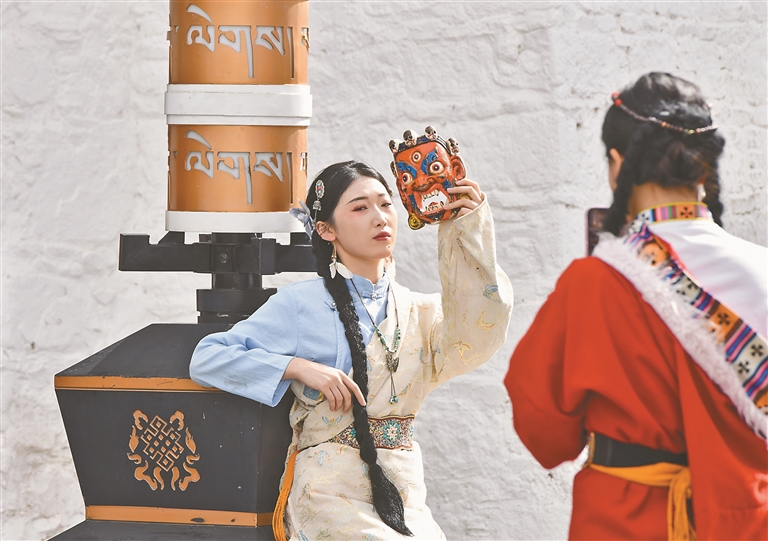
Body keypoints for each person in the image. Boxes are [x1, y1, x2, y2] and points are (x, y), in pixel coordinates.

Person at [505, 72, 767, 540]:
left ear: (617, 164)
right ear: (703, 167)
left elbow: (543, 430)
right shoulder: (761, 270)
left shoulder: (593, 282)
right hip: (744, 520)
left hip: (623, 520)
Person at [190, 160, 513, 539]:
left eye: (385, 204)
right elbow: (208, 358)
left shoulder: (421, 312)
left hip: (403, 489)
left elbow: (477, 330)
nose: (379, 218)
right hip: (329, 492)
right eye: (360, 208)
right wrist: (296, 367)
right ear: (326, 229)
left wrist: (467, 229)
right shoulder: (301, 304)